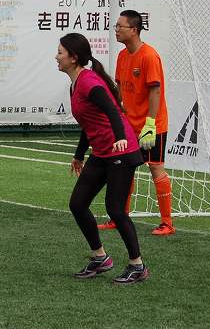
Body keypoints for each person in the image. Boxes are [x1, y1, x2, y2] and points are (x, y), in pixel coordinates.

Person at [56, 32, 148, 284]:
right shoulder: (75, 83)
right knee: (78, 204)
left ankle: (137, 265)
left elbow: (112, 110)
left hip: (122, 151)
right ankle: (100, 257)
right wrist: (78, 155)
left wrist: (120, 137)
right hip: (102, 152)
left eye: (60, 53)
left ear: (74, 58)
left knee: (115, 209)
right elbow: (89, 122)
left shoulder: (89, 82)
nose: (56, 57)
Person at [98, 9, 175, 235]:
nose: (116, 30)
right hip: (129, 125)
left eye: (119, 26)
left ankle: (167, 223)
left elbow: (155, 91)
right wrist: (118, 113)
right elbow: (121, 89)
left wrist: (150, 123)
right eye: (115, 26)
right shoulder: (123, 56)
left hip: (152, 125)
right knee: (123, 168)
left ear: (134, 29)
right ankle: (119, 217)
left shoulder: (149, 56)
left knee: (155, 167)